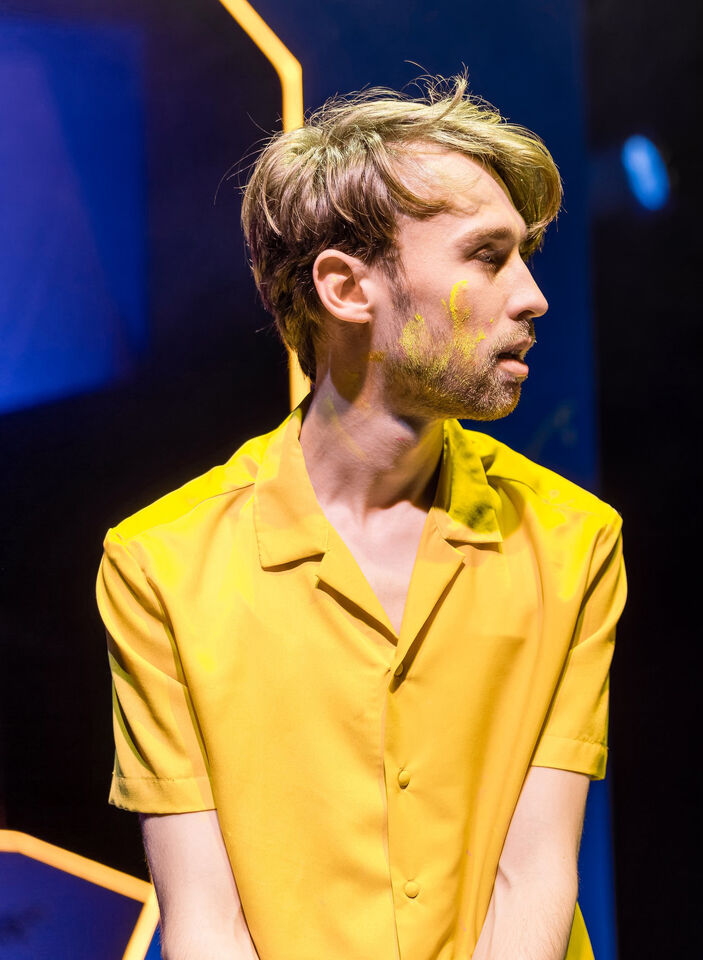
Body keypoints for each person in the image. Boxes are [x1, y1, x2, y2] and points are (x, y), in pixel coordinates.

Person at [96, 79, 625, 960]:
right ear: (346, 287)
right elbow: (204, 920)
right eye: (487, 256)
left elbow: (534, 876)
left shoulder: (573, 539)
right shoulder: (161, 564)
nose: (531, 295)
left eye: (524, 255)